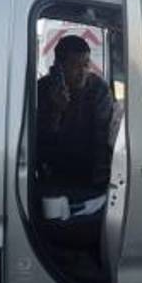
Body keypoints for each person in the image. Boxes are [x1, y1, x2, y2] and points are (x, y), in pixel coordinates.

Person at [37, 35, 114, 189]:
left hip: (90, 172)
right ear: (59, 66)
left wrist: (100, 182)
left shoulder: (99, 89)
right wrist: (56, 111)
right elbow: (40, 143)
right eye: (74, 65)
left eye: (86, 65)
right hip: (53, 172)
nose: (82, 72)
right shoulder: (43, 89)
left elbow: (102, 140)